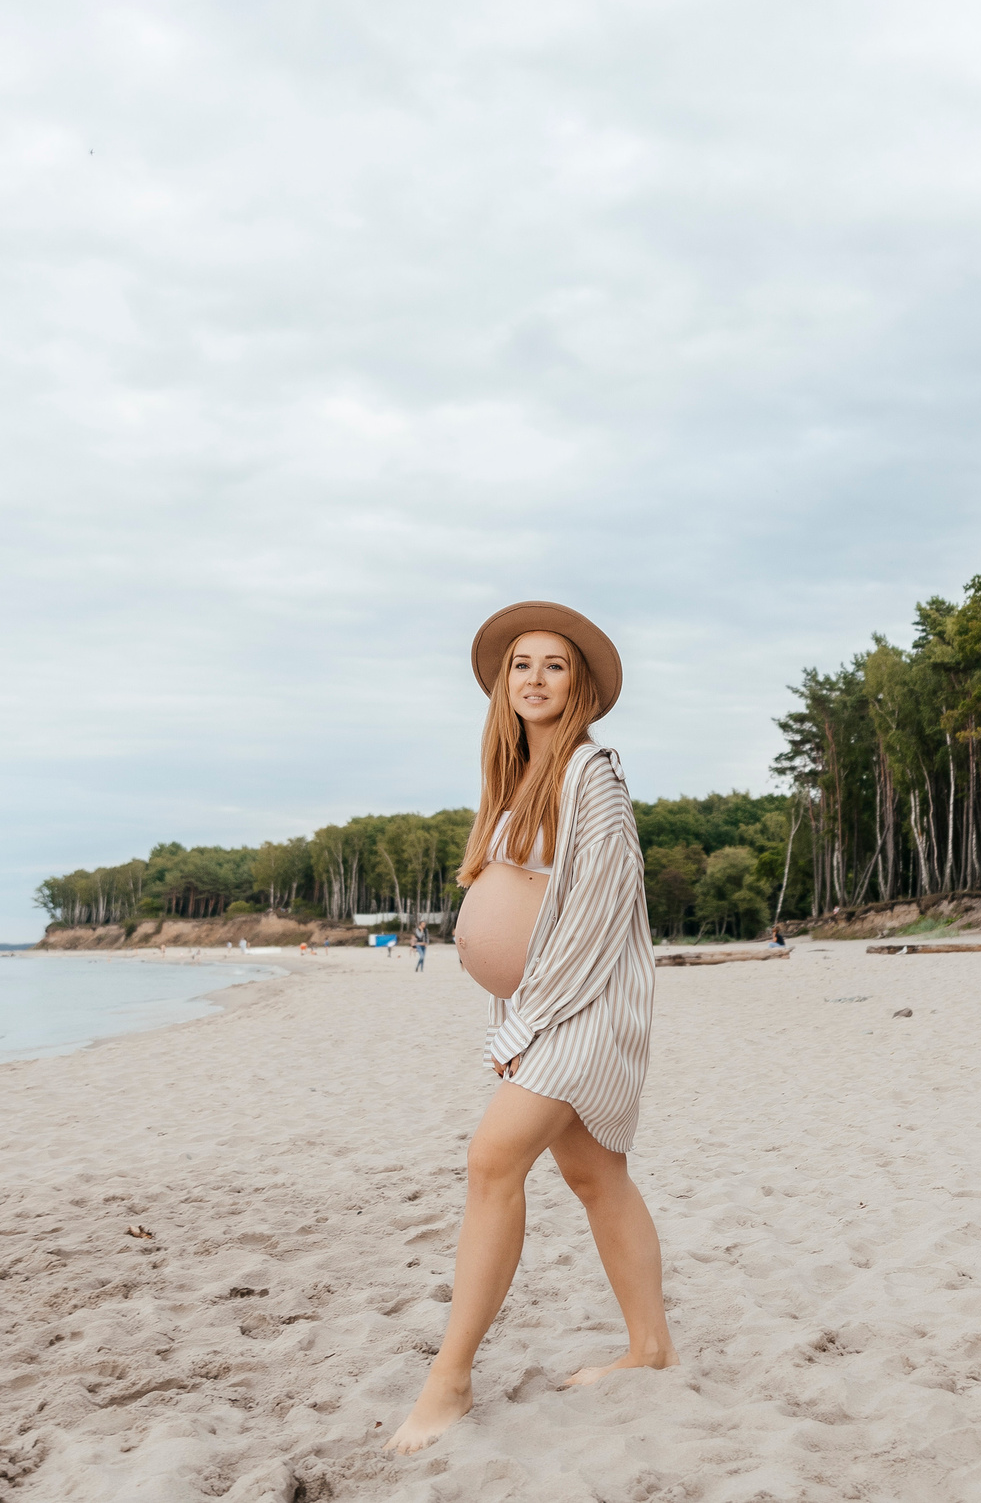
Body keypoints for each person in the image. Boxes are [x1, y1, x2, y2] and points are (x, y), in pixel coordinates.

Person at [388, 601, 670, 1453]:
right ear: (503, 686)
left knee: (491, 1159)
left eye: (554, 665)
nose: (536, 678)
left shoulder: (596, 775)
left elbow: (597, 916)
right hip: (542, 1009)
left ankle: (450, 1380)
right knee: (596, 1176)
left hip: (582, 1008)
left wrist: (528, 1024)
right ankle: (651, 1348)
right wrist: (511, 1009)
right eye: (522, 665)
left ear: (578, 684)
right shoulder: (517, 784)